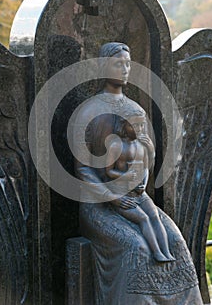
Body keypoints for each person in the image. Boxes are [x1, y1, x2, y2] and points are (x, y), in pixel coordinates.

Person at [74, 42, 203, 304]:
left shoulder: (136, 110)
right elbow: (84, 170)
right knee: (136, 247)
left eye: (128, 63)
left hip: (136, 197)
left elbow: (145, 161)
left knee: (175, 240)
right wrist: (113, 197)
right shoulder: (87, 111)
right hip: (100, 207)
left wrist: (144, 153)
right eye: (118, 64)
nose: (125, 69)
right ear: (103, 67)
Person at [105, 107, 175, 262]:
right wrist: (126, 176)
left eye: (141, 126)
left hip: (140, 193)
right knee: (143, 218)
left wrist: (151, 152)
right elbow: (108, 172)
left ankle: (166, 252)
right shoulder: (116, 146)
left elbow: (145, 168)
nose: (139, 129)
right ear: (124, 126)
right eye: (134, 126)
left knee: (155, 216)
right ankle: (156, 253)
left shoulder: (142, 145)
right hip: (123, 193)